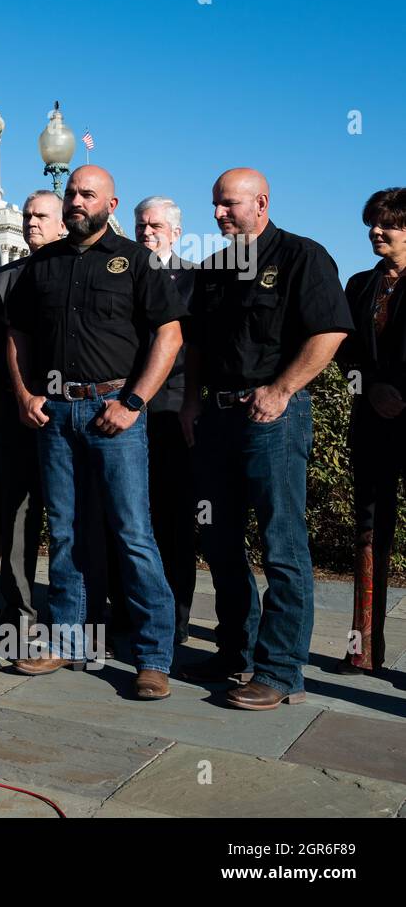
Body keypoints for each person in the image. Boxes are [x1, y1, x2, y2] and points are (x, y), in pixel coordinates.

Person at [5, 165, 185, 700]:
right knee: (65, 532)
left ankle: (153, 658)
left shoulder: (137, 262)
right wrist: (24, 393)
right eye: (72, 193)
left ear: (111, 202)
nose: (77, 201)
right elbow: (17, 333)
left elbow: (169, 336)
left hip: (115, 413)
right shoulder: (42, 266)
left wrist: (132, 402)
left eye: (89, 194)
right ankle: (66, 639)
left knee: (132, 533)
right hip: (56, 414)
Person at [181, 169, 353, 709]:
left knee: (282, 544)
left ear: (261, 202)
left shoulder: (303, 257)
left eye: (228, 205)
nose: (217, 215)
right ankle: (235, 651)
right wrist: (190, 405)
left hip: (274, 419)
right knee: (220, 541)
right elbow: (198, 349)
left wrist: (280, 390)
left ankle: (280, 672)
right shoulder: (212, 271)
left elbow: (329, 331)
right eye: (214, 205)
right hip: (217, 418)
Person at [0, 192, 65, 636]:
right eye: (28, 215)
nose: (32, 223)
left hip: (71, 410)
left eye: (41, 217)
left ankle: (76, 614)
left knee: (71, 516)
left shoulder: (77, 272)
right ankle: (19, 613)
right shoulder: (2, 280)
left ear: (61, 225)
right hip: (15, 412)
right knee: (15, 515)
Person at [334, 187, 406, 675]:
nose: (376, 232)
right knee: (368, 534)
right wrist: (374, 388)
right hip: (371, 424)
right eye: (372, 223)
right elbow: (343, 347)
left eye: (388, 224)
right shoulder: (360, 284)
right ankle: (364, 651)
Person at [133, 196, 199, 644]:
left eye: (155, 225)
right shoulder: (124, 271)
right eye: (140, 225)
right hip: (123, 408)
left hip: (173, 411)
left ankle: (175, 618)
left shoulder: (194, 279)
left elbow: (194, 348)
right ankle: (132, 609)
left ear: (176, 231)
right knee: (132, 518)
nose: (146, 232)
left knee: (174, 520)